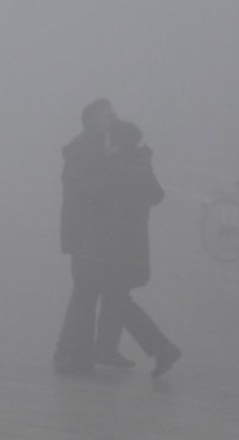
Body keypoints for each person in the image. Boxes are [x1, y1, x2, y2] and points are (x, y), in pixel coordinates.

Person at [92, 119, 180, 377]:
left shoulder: (123, 167)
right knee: (114, 296)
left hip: (121, 246)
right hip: (132, 245)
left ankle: (163, 348)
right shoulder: (138, 164)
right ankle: (106, 349)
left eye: (109, 139)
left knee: (117, 299)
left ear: (119, 143)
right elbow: (156, 195)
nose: (106, 144)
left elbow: (112, 205)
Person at [54, 98, 119, 375]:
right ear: (91, 121)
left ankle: (70, 352)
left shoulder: (94, 148)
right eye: (107, 117)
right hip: (85, 238)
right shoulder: (84, 150)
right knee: (85, 295)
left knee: (85, 294)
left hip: (92, 237)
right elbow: (81, 192)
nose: (112, 121)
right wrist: (109, 163)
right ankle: (74, 356)